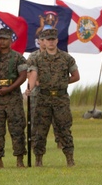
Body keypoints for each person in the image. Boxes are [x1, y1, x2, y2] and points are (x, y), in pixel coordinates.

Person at [25, 27, 80, 166]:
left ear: (57, 40)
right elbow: (32, 75)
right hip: (43, 98)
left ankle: (69, 158)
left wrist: (61, 82)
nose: (50, 42)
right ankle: (38, 159)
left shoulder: (66, 58)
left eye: (52, 39)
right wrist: (29, 89)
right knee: (40, 130)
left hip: (61, 99)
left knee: (64, 129)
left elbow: (76, 76)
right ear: (43, 41)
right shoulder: (36, 58)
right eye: (47, 40)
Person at [0, 27, 28, 169]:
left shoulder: (18, 57)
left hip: (13, 98)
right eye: (0, 39)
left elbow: (23, 75)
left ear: (11, 40)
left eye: (5, 39)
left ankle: (19, 160)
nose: (2, 41)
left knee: (17, 129)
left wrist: (9, 89)